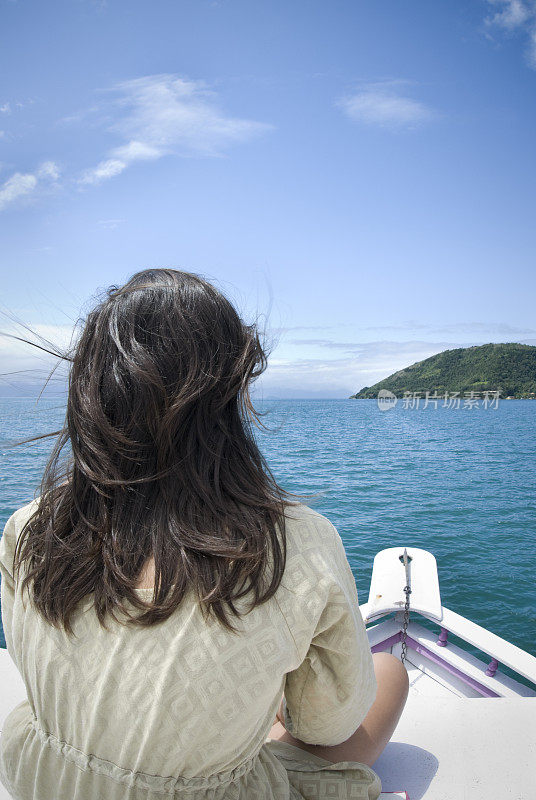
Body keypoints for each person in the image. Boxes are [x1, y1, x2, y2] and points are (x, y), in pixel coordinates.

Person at [0, 269, 408, 800]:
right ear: (230, 391)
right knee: (390, 671)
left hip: (48, 781)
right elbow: (327, 727)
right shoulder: (293, 545)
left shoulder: (31, 525)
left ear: (91, 387)